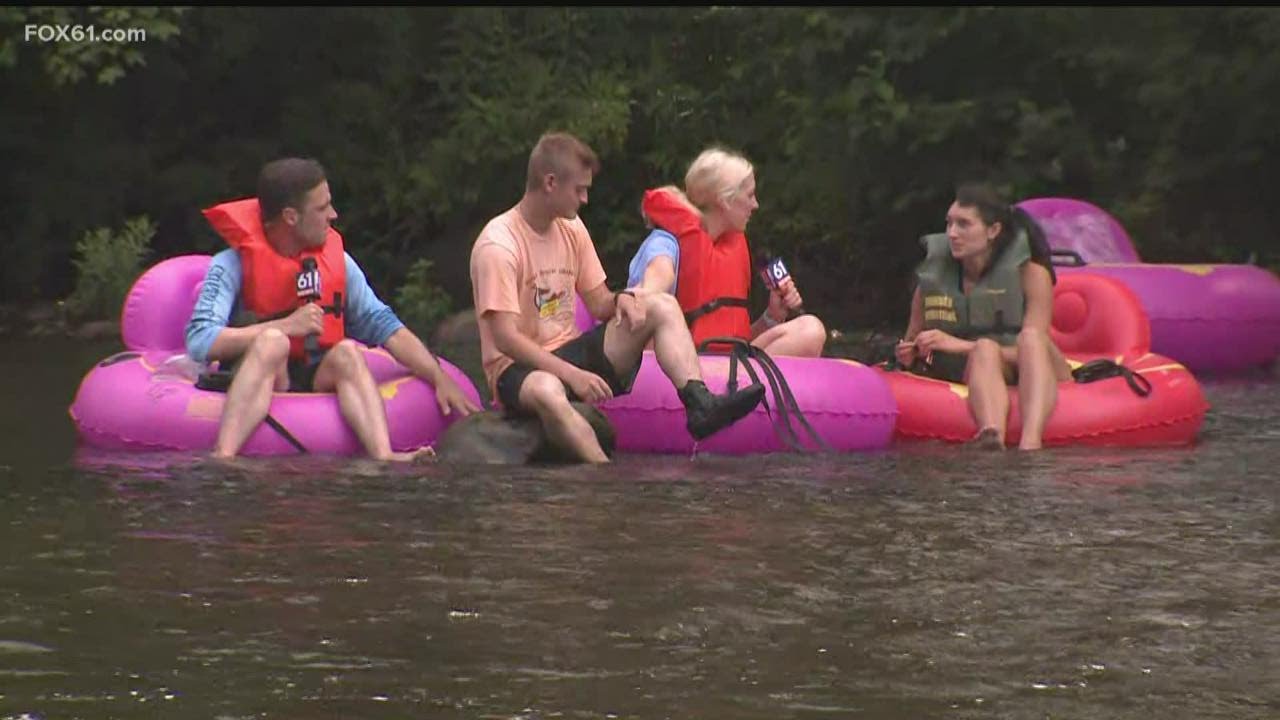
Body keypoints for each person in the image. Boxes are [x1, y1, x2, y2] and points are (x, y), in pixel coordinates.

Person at [469, 132, 766, 464]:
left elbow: (599, 303)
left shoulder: (572, 228)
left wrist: (622, 299)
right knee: (547, 391)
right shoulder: (499, 245)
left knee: (662, 305)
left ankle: (700, 404)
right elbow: (505, 339)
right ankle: (603, 474)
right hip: (518, 369)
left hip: (570, 351)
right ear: (550, 182)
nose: (584, 200)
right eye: (579, 190)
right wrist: (573, 376)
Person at [185, 157, 479, 461]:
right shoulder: (231, 264)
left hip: (312, 370)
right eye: (322, 208)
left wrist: (437, 375)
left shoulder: (338, 261)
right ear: (290, 217)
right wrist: (285, 327)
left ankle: (384, 454)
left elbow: (383, 324)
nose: (333, 215)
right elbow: (200, 340)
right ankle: (224, 454)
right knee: (273, 342)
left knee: (347, 352)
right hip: (260, 368)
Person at [895, 182, 1072, 451]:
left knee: (1030, 338)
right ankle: (992, 436)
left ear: (993, 230)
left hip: (1032, 364)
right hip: (980, 366)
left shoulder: (1032, 275)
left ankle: (1030, 442)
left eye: (964, 224)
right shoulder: (931, 282)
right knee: (986, 349)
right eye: (949, 224)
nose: (952, 233)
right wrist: (909, 352)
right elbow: (909, 344)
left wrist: (958, 345)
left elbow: (1034, 351)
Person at [627, 148, 827, 357]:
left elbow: (731, 343)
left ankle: (745, 387)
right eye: (749, 195)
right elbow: (643, 336)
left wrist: (771, 317)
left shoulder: (731, 245)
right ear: (724, 200)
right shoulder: (664, 245)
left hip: (726, 369)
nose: (755, 205)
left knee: (810, 330)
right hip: (686, 370)